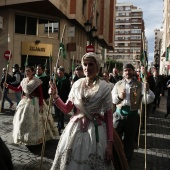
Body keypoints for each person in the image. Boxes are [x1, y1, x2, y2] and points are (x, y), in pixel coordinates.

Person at [49, 52, 116, 170]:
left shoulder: (105, 87)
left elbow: (109, 116)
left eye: (91, 64)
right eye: (85, 64)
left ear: (98, 67)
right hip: (74, 129)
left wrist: (110, 144)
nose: (87, 67)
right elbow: (66, 108)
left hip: (95, 132)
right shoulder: (77, 84)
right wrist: (55, 96)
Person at [112, 63, 155, 164]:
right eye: (126, 70)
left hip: (132, 115)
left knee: (129, 141)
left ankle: (126, 161)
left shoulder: (140, 84)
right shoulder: (118, 84)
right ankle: (115, 159)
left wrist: (147, 90)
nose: (127, 72)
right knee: (115, 139)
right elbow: (113, 99)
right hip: (118, 114)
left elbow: (147, 100)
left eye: (129, 70)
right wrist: (119, 97)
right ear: (123, 72)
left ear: (133, 71)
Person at [4, 66, 58, 145]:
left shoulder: (37, 81)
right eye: (26, 71)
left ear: (32, 72)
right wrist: (8, 86)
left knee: (36, 121)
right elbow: (18, 89)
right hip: (25, 101)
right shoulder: (24, 80)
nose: (27, 72)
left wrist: (40, 105)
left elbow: (40, 94)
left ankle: (38, 138)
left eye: (28, 71)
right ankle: (24, 137)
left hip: (34, 102)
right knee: (21, 120)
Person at [53, 66, 70, 135]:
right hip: (56, 99)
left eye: (61, 73)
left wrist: (66, 99)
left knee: (61, 114)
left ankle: (60, 127)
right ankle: (60, 124)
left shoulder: (66, 80)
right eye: (58, 73)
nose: (59, 75)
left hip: (63, 99)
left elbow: (68, 91)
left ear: (63, 73)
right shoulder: (55, 80)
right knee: (56, 113)